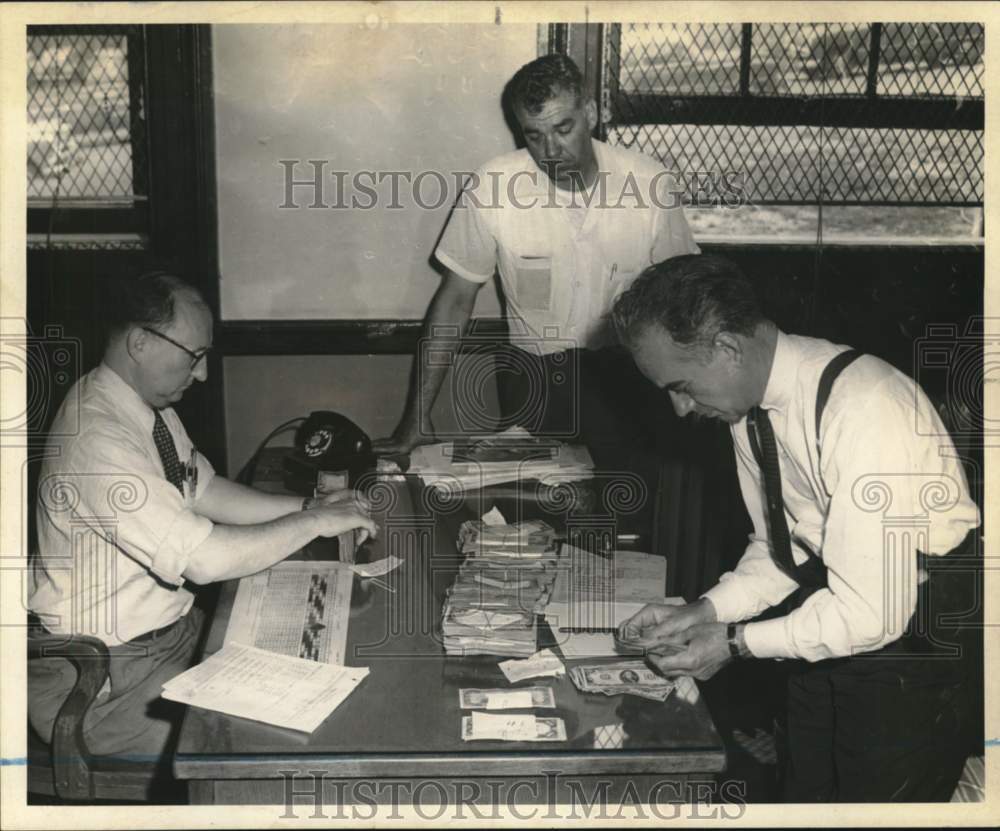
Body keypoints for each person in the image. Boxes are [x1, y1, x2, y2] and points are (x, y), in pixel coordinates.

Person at [611, 254, 980, 802]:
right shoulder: (747, 408)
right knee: (804, 797)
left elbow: (872, 615)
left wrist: (733, 644)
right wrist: (706, 611)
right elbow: (782, 549)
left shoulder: (865, 412)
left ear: (728, 349)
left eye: (682, 385)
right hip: (830, 630)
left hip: (915, 654)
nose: (680, 408)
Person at [28, 272, 377, 772]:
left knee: (315, 676)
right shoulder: (98, 440)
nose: (204, 373)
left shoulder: (143, 406)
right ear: (140, 343)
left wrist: (306, 509)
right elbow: (208, 561)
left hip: (165, 641)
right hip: (101, 682)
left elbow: (206, 490)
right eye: (194, 356)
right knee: (275, 750)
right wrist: (318, 521)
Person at [374, 53, 698, 461]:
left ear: (591, 113)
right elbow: (455, 301)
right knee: (529, 517)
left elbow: (684, 299)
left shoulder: (650, 183)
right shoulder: (493, 185)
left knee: (630, 510)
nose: (551, 151)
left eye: (564, 129)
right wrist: (415, 421)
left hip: (628, 380)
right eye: (534, 135)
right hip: (535, 379)